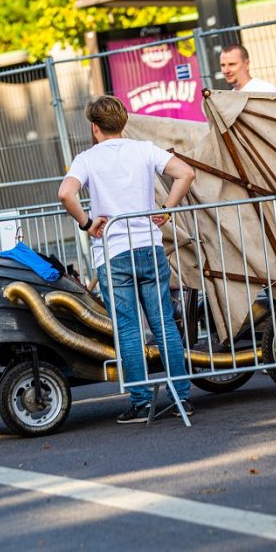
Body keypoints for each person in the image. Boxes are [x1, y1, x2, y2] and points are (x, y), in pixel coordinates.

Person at [58, 95, 195, 424]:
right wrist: (166, 210)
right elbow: (185, 173)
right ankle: (181, 399)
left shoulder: (87, 159)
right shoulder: (144, 149)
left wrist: (87, 223)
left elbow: (66, 193)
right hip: (149, 247)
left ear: (95, 128)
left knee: (129, 330)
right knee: (163, 325)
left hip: (114, 251)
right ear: (123, 123)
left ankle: (141, 401)